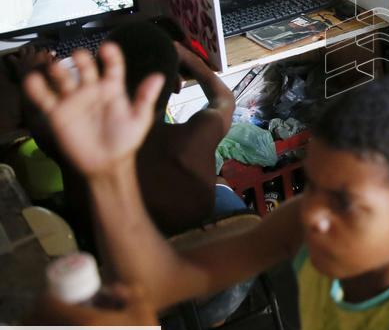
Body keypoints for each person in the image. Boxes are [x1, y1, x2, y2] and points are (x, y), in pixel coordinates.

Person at [24, 46, 389, 330]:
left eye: (345, 203)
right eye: (313, 184)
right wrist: (110, 174)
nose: (313, 213)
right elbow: (162, 278)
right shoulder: (312, 221)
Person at [28, 20, 237, 240]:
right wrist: (187, 56)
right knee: (219, 183)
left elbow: (36, 117)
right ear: (176, 85)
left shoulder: (75, 144)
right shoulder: (200, 134)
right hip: (194, 250)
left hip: (108, 257)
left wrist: (31, 72)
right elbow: (224, 99)